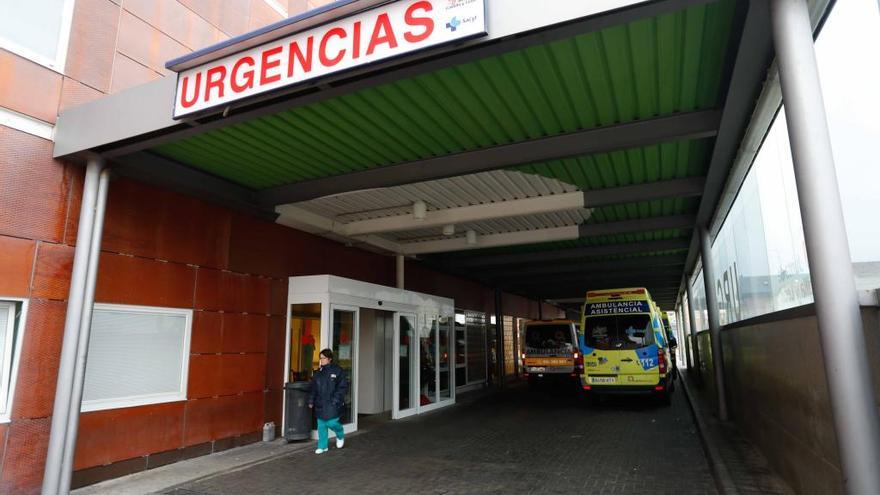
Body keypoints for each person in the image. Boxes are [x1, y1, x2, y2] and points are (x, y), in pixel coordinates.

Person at [308, 348, 349, 455]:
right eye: (320, 358)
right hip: (320, 402)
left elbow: (342, 387)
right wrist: (311, 401)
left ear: (329, 359)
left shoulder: (338, 371)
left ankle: (340, 433)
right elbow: (314, 388)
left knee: (332, 422)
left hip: (332, 402)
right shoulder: (318, 373)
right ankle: (322, 446)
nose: (321, 360)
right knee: (321, 425)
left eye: (323, 358)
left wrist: (336, 400)